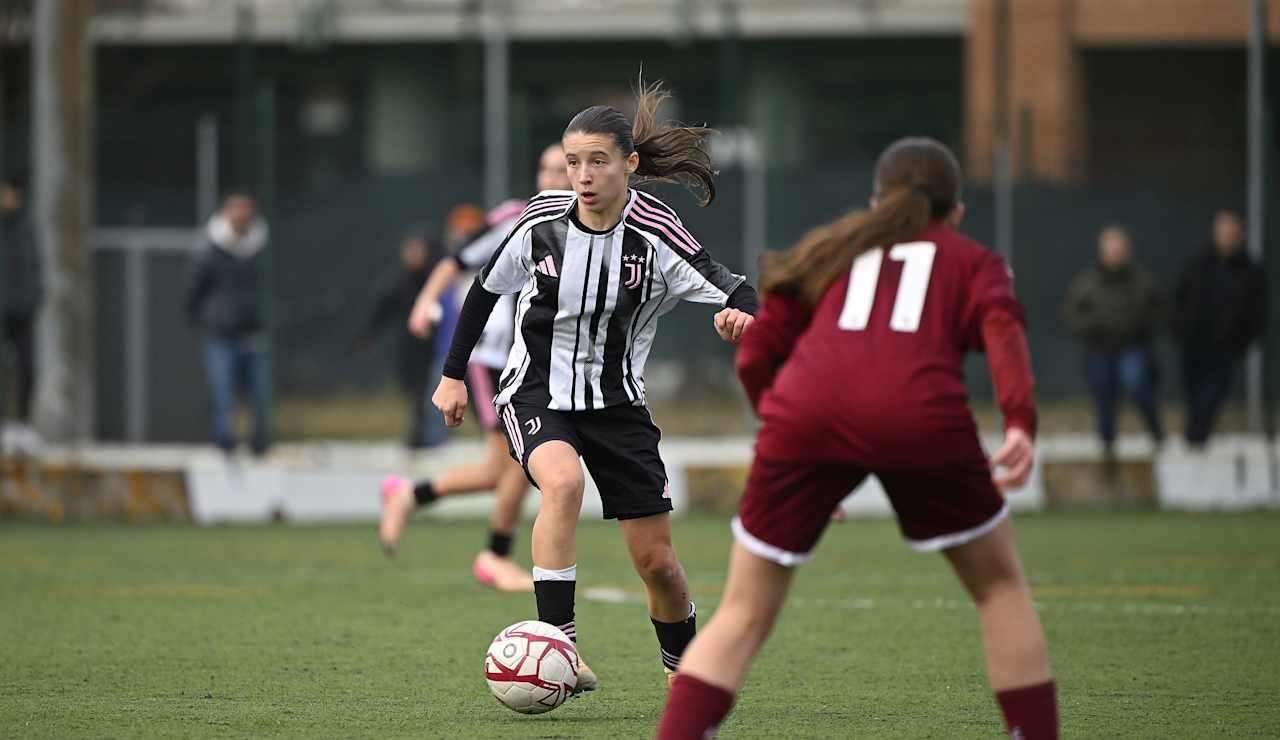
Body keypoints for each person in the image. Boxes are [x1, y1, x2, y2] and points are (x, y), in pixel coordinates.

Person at [657, 138, 1057, 739]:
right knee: (1001, 590)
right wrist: (1020, 422)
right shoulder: (975, 262)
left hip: (805, 417)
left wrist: (780, 434)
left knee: (742, 612)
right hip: (921, 418)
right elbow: (1003, 329)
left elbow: (758, 352)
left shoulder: (830, 249)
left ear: (877, 202)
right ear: (956, 212)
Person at [432, 82, 758, 693]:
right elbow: (483, 291)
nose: (582, 176)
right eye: (573, 162)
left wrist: (740, 316)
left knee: (657, 564)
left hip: (619, 407)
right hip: (536, 391)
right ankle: (562, 649)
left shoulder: (656, 233)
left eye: (597, 161)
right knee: (562, 483)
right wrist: (452, 376)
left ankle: (683, 671)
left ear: (629, 164)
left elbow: (735, 288)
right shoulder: (539, 222)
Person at [377, 144, 571, 594]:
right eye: (546, 169)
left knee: (503, 469)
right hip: (494, 358)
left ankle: (410, 496)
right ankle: (495, 556)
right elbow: (457, 259)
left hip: (536, 361)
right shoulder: (518, 216)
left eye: (563, 169)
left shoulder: (591, 224)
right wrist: (425, 301)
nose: (554, 179)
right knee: (519, 464)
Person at [1061, 225, 1164, 454]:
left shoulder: (1142, 280)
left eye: (1119, 249)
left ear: (1127, 250)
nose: (1115, 254)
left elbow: (1157, 310)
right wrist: (1092, 328)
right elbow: (1071, 313)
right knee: (1104, 395)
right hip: (1099, 349)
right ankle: (1107, 445)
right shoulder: (1087, 282)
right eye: (1110, 249)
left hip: (1133, 347)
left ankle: (1156, 432)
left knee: (1138, 385)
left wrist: (1139, 328)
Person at [186, 190, 272, 456]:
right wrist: (206, 320)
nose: (241, 214)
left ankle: (260, 443)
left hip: (253, 332)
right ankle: (224, 442)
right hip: (220, 333)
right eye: (236, 208)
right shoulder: (210, 251)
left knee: (259, 395)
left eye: (245, 209)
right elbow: (194, 291)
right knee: (223, 394)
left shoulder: (260, 249)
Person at [1170, 210, 1265, 448]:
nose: (1227, 236)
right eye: (1223, 231)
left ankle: (1196, 437)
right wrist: (1180, 328)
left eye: (1232, 232)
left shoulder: (1250, 270)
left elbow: (1257, 311)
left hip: (1227, 346)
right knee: (1194, 394)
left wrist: (1243, 339)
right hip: (1194, 342)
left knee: (1212, 395)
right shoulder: (1197, 264)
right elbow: (1178, 298)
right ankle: (1195, 437)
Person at [353, 230, 439, 449]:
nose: (412, 255)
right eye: (409, 250)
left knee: (428, 390)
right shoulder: (400, 281)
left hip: (434, 347)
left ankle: (425, 436)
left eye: (417, 250)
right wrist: (367, 336)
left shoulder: (435, 280)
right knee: (414, 390)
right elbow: (383, 311)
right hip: (408, 346)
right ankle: (420, 434)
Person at [0, 177, 41, 428]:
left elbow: (36, 267)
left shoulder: (27, 229)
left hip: (23, 311)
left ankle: (23, 423)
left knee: (28, 368)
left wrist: (34, 299)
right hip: (2, 311)